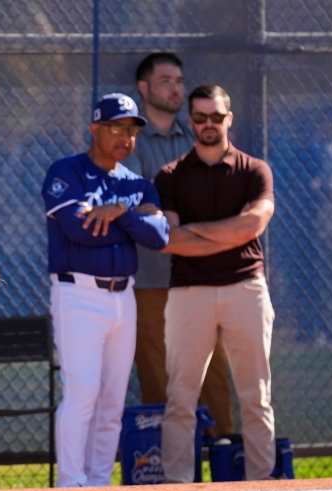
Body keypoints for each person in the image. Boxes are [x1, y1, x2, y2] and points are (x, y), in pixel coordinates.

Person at [41, 94, 169, 488]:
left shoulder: (137, 184)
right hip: (78, 294)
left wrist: (119, 213)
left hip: (123, 297)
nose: (126, 136)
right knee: (82, 394)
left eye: (132, 129)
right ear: (95, 129)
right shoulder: (67, 171)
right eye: (116, 127)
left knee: (113, 400)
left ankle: (97, 484)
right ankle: (71, 483)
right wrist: (132, 222)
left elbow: (160, 235)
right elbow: (80, 230)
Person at [157, 85, 276, 482]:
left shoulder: (255, 170)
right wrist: (230, 231)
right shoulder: (170, 176)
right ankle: (177, 486)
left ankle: (263, 484)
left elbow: (253, 225)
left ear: (229, 118)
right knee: (180, 398)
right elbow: (169, 240)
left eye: (217, 116)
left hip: (246, 288)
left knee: (255, 396)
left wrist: (197, 232)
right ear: (190, 121)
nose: (209, 124)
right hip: (189, 293)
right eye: (201, 117)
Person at [121, 53, 235, 437]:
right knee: (157, 375)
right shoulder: (131, 142)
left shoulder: (196, 135)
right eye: (166, 80)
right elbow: (139, 202)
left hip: (202, 277)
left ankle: (222, 458)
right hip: (150, 278)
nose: (176, 88)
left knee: (213, 372)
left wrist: (169, 210)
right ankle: (164, 468)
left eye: (179, 81)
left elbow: (204, 197)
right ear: (144, 88)